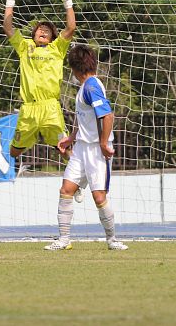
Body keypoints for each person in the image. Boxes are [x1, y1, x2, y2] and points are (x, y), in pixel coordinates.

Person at [3, 0, 86, 200]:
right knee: (13, 151)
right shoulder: (25, 47)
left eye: (47, 30)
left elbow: (71, 27)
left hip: (50, 108)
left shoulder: (57, 48)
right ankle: (24, 157)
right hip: (28, 109)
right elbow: (8, 27)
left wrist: (67, 1)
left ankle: (78, 180)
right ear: (33, 34)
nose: (43, 31)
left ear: (52, 37)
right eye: (40, 29)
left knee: (64, 148)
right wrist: (10, 0)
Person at [44, 44, 128, 251]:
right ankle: (64, 239)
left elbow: (108, 116)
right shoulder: (85, 87)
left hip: (96, 151)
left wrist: (103, 143)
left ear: (75, 68)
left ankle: (112, 240)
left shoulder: (91, 87)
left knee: (99, 197)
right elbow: (85, 117)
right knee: (66, 189)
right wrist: (71, 137)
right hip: (81, 147)